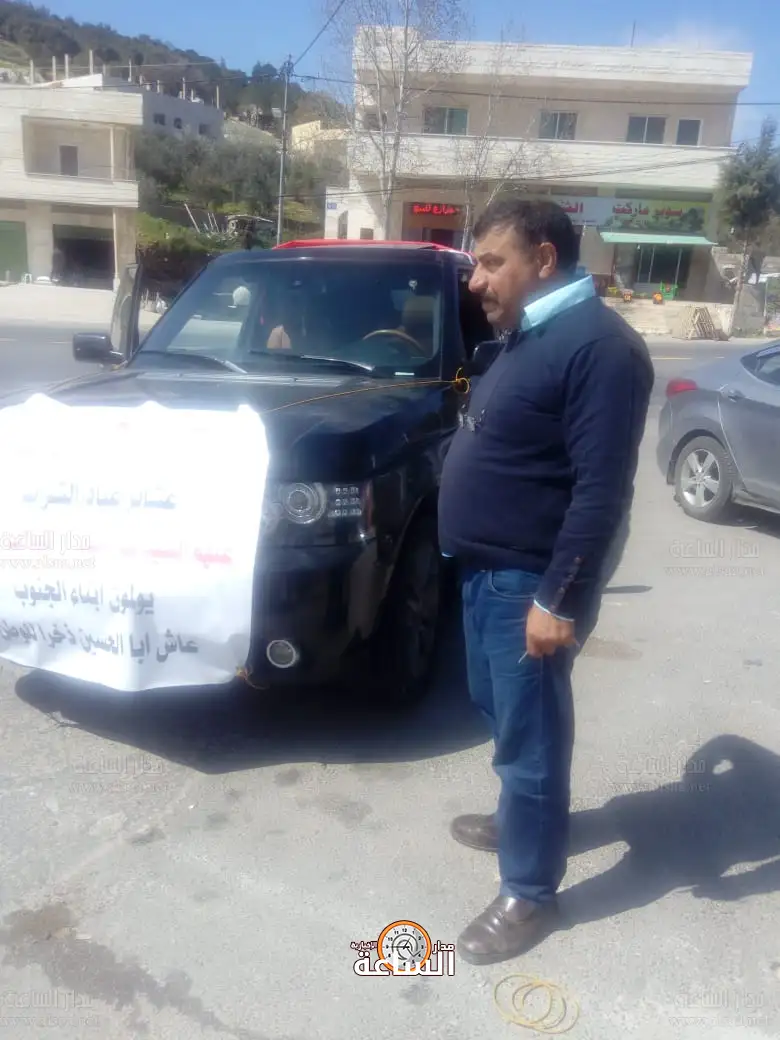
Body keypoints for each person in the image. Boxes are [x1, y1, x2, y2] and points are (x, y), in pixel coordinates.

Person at [437, 197, 654, 966]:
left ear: (545, 259)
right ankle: (521, 822)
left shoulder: (601, 348)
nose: (476, 281)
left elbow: (602, 491)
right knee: (502, 716)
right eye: (476, 264)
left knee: (532, 740)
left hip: (530, 583)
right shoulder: (529, 335)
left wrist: (558, 598)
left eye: (492, 263)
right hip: (486, 574)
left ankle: (529, 893)